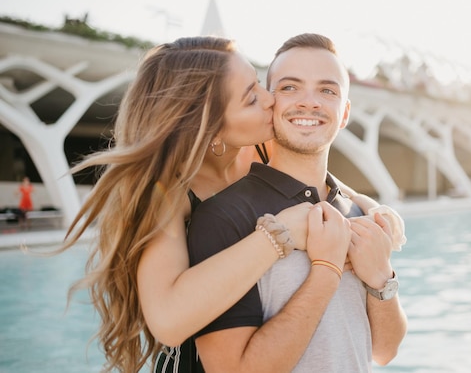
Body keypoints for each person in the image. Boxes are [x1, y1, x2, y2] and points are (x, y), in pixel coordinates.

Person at [57, 35, 401, 373]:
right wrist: (280, 237)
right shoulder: (168, 194)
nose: (271, 100)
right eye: (252, 97)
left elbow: (315, 176)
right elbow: (168, 321)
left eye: (260, 85)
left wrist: (370, 208)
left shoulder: (258, 149)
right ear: (209, 123)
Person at [187, 33, 408, 372]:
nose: (309, 102)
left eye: (327, 90)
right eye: (290, 87)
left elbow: (384, 350)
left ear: (344, 112)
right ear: (269, 103)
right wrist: (327, 270)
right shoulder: (224, 216)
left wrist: (382, 277)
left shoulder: (359, 212)